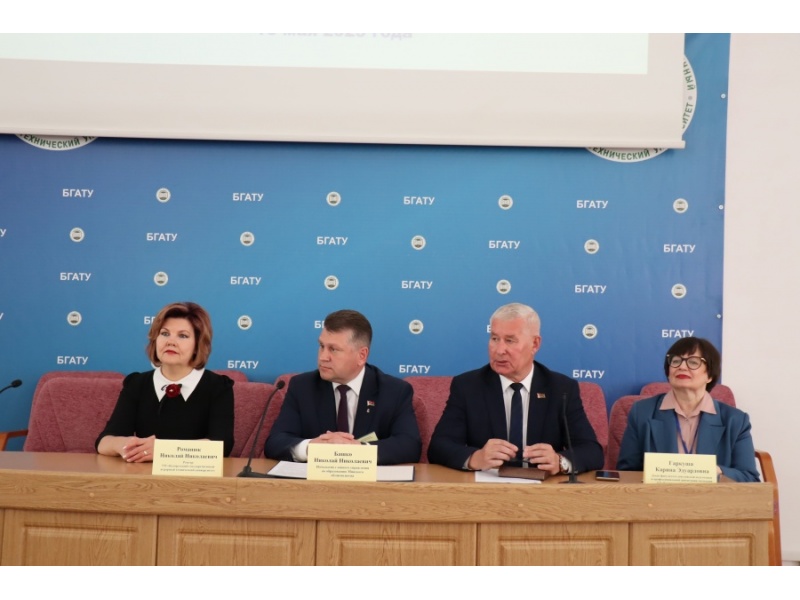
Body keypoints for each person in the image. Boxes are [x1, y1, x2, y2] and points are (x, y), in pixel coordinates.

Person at [428, 303, 603, 474]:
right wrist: (475, 458)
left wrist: (560, 461)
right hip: (486, 488)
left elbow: (592, 451)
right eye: (494, 339)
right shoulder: (468, 386)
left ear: (535, 344)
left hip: (542, 489)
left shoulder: (561, 389)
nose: (499, 350)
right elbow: (439, 447)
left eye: (510, 341)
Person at [264, 309, 421, 465]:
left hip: (370, 480)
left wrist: (357, 450)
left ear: (361, 355)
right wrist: (311, 447)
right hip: (315, 479)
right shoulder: (302, 387)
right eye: (321, 346)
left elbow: (409, 445)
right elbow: (276, 442)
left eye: (333, 349)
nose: (323, 357)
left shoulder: (394, 391)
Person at [96, 302, 234, 461]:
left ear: (198, 345)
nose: (171, 341)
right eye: (165, 333)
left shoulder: (218, 387)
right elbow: (104, 442)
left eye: (183, 336)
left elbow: (222, 445)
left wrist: (163, 450)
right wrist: (125, 445)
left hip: (196, 475)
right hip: (143, 473)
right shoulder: (137, 383)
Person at [617, 337, 759, 482]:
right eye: (676, 361)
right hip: (657, 495)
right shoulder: (642, 413)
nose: (682, 367)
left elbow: (749, 478)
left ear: (710, 375)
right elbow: (627, 472)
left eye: (693, 362)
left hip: (712, 495)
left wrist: (717, 471)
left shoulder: (736, 421)